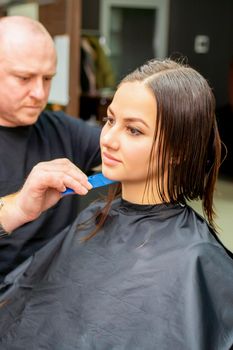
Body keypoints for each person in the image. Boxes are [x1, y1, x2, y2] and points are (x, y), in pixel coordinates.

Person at [0, 58, 233, 350]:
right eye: (110, 120)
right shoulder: (94, 216)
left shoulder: (195, 259)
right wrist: (18, 208)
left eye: (133, 130)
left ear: (179, 150)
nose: (108, 139)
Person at [0, 16, 101, 279]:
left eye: (47, 78)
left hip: (54, 294)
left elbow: (131, 151)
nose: (39, 93)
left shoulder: (62, 129)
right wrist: (19, 208)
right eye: (24, 78)